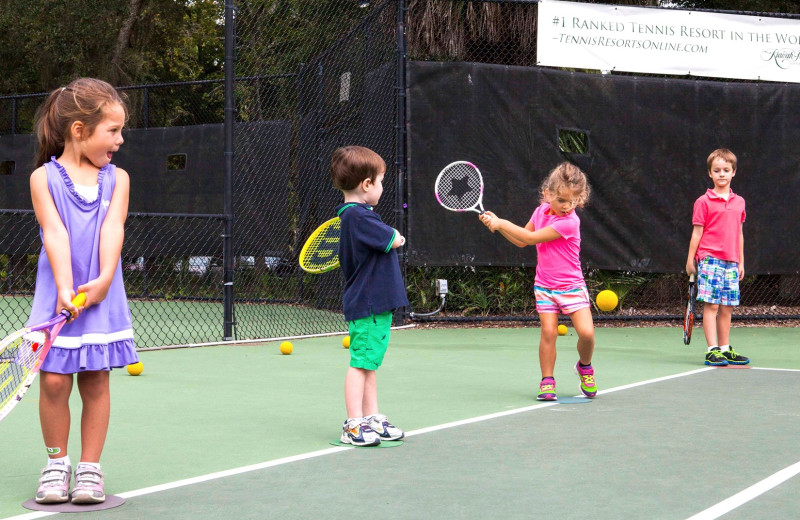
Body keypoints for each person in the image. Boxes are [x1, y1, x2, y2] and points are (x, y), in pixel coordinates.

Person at [29, 78, 138, 504]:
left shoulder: (118, 179)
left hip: (100, 296)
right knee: (54, 382)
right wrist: (63, 286)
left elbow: (113, 228)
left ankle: (89, 470)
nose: (120, 139)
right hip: (57, 295)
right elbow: (53, 232)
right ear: (79, 130)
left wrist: (105, 279)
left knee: (94, 379)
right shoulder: (44, 178)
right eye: (112, 131)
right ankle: (57, 465)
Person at [479, 162, 597, 401]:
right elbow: (522, 241)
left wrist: (502, 222)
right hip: (545, 286)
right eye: (562, 200)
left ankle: (585, 366)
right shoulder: (539, 212)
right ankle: (547, 380)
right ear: (548, 194)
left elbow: (531, 238)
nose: (567, 206)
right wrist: (498, 227)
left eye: (573, 201)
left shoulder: (570, 222)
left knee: (587, 334)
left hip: (572, 286)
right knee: (548, 332)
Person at [330, 146, 408, 446]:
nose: (382, 187)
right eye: (381, 181)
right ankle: (353, 425)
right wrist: (396, 236)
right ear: (366, 185)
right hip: (368, 303)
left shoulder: (358, 216)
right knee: (360, 364)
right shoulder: (359, 217)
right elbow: (394, 238)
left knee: (369, 364)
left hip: (375, 303)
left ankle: (372, 418)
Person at [686, 149, 749, 366]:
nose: (722, 174)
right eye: (717, 170)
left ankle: (724, 348)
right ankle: (712, 350)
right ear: (710, 174)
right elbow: (697, 232)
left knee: (727, 306)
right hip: (710, 258)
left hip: (732, 261)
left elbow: (739, 233)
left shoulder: (739, 202)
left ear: (733, 172)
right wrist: (690, 259)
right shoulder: (703, 202)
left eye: (726, 170)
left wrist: (740, 261)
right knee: (712, 305)